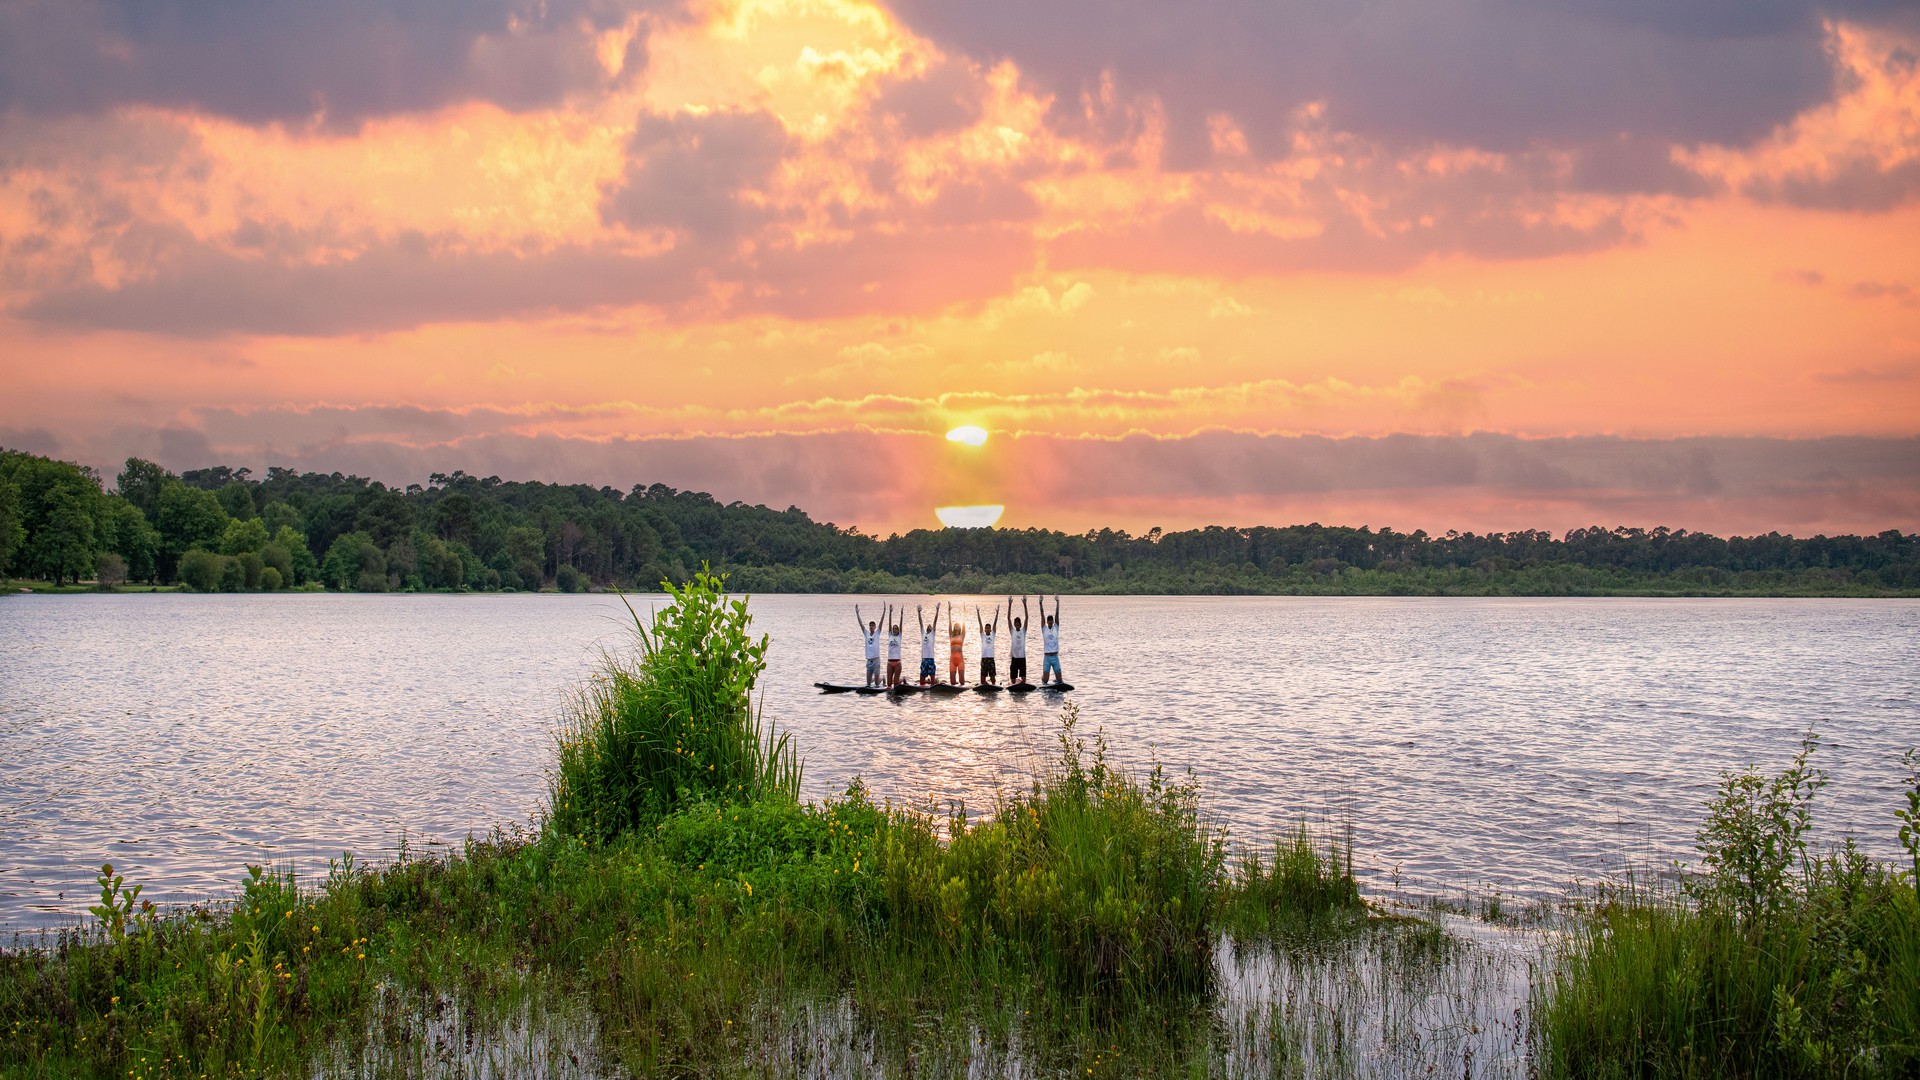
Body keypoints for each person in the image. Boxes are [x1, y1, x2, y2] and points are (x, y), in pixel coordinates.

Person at [855, 603, 886, 687]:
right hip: (869, 661)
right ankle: (872, 679)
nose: (872, 626)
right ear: (869, 627)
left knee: (876, 683)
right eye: (870, 625)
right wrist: (857, 613)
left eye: (873, 625)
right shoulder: (866, 634)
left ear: (875, 627)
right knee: (868, 684)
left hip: (876, 661)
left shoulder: (877, 633)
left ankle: (882, 678)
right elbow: (861, 624)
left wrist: (884, 611)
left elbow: (881, 622)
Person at [916, 602, 942, 686]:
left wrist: (937, 610)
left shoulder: (932, 634)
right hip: (924, 659)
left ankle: (935, 681)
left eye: (930, 626)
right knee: (921, 683)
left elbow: (935, 621)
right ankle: (928, 681)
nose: (929, 626)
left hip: (930, 659)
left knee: (933, 682)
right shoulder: (923, 633)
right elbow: (920, 623)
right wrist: (919, 613)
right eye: (928, 626)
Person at [1006, 595, 1029, 684]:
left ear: (1020, 624)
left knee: (1024, 681)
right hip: (1014, 658)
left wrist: (1025, 605)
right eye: (1016, 623)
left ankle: (1020, 681)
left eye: (1018, 623)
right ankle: (1016, 681)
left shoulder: (1023, 630)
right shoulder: (1012, 631)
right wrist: (1010, 605)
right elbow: (1008, 618)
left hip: (1022, 658)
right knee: (1012, 681)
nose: (1017, 624)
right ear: (1014, 624)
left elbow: (1027, 618)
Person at [1040, 594, 1063, 684]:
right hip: (1047, 657)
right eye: (1048, 620)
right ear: (1047, 622)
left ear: (1053, 622)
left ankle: (1056, 680)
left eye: (1051, 620)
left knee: (1060, 681)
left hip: (1055, 657)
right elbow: (1042, 614)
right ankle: (1042, 678)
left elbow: (1057, 614)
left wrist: (1057, 602)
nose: (1050, 622)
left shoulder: (1056, 628)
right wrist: (1040, 603)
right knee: (1045, 680)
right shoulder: (1044, 629)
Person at [976, 605, 999, 684]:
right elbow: (980, 623)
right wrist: (978, 613)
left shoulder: (993, 635)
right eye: (986, 628)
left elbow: (995, 623)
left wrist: (997, 613)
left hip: (991, 658)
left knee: (993, 680)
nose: (988, 629)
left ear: (990, 629)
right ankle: (986, 683)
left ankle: (991, 684)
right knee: (982, 681)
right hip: (984, 659)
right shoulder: (983, 635)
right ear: (985, 629)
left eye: (989, 628)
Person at [948, 607, 967, 685]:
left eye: (958, 625)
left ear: (960, 628)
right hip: (952, 659)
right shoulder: (951, 635)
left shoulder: (962, 636)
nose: (956, 626)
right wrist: (949, 611)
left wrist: (964, 613)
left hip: (960, 660)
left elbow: (964, 625)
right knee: (952, 683)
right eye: (955, 625)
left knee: (962, 682)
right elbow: (949, 624)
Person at [886, 614, 905, 687]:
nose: (894, 630)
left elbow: (901, 624)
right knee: (889, 684)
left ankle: (902, 679)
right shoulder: (890, 635)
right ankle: (898, 680)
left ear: (898, 630)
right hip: (890, 662)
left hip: (897, 663)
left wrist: (901, 614)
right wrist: (890, 613)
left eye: (896, 629)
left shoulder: (899, 636)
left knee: (896, 684)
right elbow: (889, 623)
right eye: (893, 629)